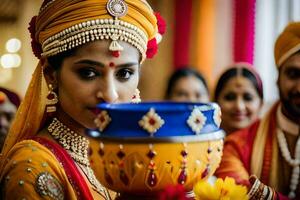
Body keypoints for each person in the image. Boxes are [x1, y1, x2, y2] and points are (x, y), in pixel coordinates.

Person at [0, 0, 164, 199]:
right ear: (51, 74)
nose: (110, 94)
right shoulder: (32, 165)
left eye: (124, 73)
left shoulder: (133, 156)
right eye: (88, 73)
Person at [215, 22, 300, 199]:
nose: (299, 88)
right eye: (293, 74)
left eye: (247, 97)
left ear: (260, 102)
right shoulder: (236, 146)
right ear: (277, 79)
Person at [214, 63, 264, 134]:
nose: (239, 106)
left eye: (248, 98)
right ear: (216, 102)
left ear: (261, 104)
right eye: (230, 98)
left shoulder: (272, 141)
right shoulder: (204, 141)